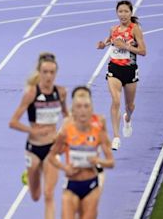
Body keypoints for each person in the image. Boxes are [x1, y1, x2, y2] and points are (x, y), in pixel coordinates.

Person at [9, 52, 68, 219]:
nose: (49, 76)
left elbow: (67, 115)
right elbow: (13, 122)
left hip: (52, 149)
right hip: (33, 149)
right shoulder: (31, 94)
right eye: (45, 72)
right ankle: (30, 174)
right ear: (39, 72)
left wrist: (62, 134)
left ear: (56, 73)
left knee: (49, 194)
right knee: (36, 196)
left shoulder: (61, 92)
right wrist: (33, 131)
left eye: (52, 72)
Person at [49, 93, 114, 219]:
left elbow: (111, 162)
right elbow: (52, 156)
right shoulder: (66, 131)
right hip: (71, 184)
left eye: (86, 106)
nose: (83, 110)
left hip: (91, 185)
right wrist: (65, 168)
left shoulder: (99, 132)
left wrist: (98, 161)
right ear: (73, 111)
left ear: (91, 110)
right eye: (79, 107)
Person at [96, 0, 146, 150]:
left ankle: (127, 118)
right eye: (120, 11)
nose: (123, 14)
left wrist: (125, 46)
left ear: (131, 13)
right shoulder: (113, 29)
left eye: (126, 11)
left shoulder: (135, 29)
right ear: (116, 13)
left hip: (130, 70)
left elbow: (143, 51)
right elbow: (108, 41)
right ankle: (116, 137)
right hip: (114, 69)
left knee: (129, 105)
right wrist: (102, 45)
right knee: (115, 101)